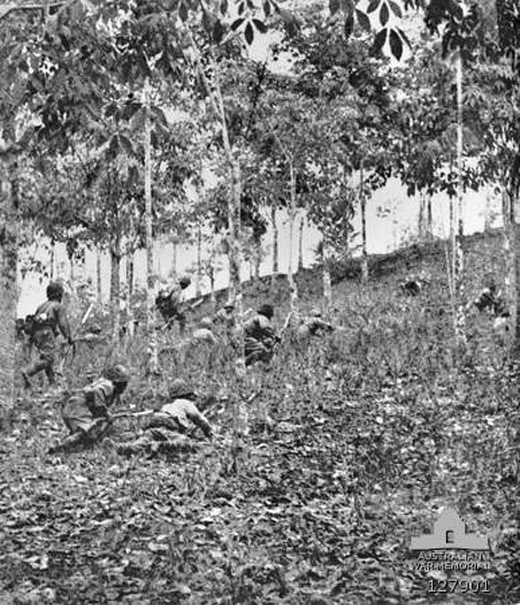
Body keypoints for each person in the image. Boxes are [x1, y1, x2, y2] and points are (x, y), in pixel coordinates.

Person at [116, 379, 213, 457]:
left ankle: (123, 447)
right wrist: (209, 433)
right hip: (168, 425)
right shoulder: (185, 402)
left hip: (153, 424)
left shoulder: (167, 405)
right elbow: (199, 419)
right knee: (188, 443)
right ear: (188, 394)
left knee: (142, 441)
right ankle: (159, 446)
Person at [48, 364, 131, 454]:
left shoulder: (107, 385)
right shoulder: (108, 385)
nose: (125, 387)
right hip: (78, 406)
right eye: (123, 384)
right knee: (86, 432)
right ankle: (60, 446)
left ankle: (67, 445)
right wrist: (106, 413)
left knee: (88, 433)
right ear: (117, 382)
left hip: (75, 406)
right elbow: (97, 391)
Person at [21, 280, 73, 391]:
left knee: (47, 358)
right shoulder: (57, 306)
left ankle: (53, 385)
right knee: (49, 359)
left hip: (37, 335)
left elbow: (36, 322)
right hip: (46, 332)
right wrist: (68, 337)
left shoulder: (41, 306)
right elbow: (63, 324)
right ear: (59, 294)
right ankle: (28, 371)